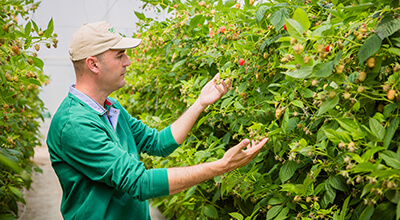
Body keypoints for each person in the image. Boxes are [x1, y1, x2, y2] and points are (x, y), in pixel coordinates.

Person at [46, 21, 268, 220]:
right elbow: (140, 183)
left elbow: (158, 143)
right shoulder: (74, 124)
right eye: (120, 55)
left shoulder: (111, 108)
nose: (128, 62)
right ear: (93, 65)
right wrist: (220, 167)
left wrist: (200, 102)